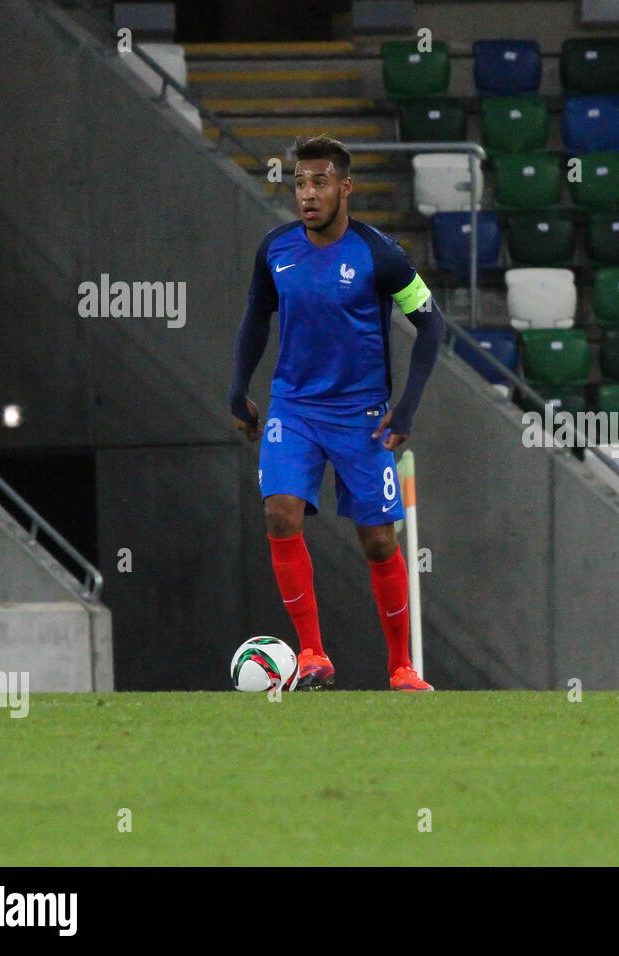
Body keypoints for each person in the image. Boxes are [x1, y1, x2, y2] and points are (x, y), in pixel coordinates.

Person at [227, 135, 444, 691]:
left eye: (320, 182)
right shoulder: (275, 250)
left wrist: (407, 409)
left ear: (345, 188)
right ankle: (312, 654)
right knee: (280, 513)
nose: (307, 193)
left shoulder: (381, 254)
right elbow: (256, 317)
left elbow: (431, 324)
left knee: (377, 541)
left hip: (362, 416)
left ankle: (400, 666)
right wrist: (237, 387)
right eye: (299, 182)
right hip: (293, 407)